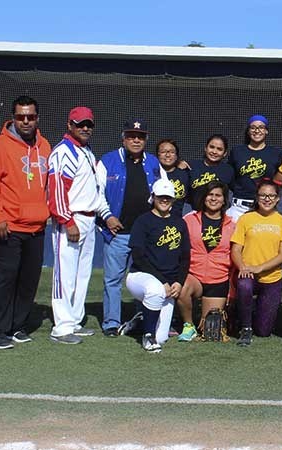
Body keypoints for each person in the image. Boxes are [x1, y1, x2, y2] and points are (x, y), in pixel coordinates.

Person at [0, 96, 52, 349]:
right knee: (5, 280)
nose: (26, 121)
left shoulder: (45, 146)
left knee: (28, 281)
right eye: (21, 117)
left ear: (37, 118)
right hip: (7, 227)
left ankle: (17, 326)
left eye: (30, 116)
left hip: (36, 227)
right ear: (13, 118)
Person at [47, 106, 119, 344]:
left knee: (81, 275)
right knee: (65, 275)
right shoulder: (63, 151)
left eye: (89, 124)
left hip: (89, 218)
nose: (85, 128)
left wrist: (102, 214)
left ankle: (74, 321)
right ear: (70, 125)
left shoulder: (86, 151)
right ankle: (61, 327)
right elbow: (57, 190)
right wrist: (67, 221)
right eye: (80, 124)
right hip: (72, 217)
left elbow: (94, 189)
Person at [96, 119, 166, 337]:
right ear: (123, 138)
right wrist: (107, 216)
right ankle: (111, 323)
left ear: (146, 139)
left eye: (140, 136)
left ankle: (144, 318)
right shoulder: (108, 161)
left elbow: (164, 190)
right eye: (131, 136)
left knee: (147, 278)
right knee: (113, 280)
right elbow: (97, 193)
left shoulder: (153, 162)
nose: (136, 140)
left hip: (145, 235)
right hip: (118, 233)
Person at [125, 179, 190, 353]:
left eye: (168, 197)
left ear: (173, 199)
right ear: (153, 197)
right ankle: (147, 337)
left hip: (168, 284)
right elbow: (138, 257)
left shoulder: (180, 223)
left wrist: (179, 282)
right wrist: (163, 281)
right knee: (155, 290)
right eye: (160, 196)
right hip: (140, 276)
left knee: (161, 338)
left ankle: (142, 320)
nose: (164, 200)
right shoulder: (143, 221)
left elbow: (185, 257)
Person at [231, 179, 282, 346]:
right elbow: (235, 249)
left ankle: (250, 311)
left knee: (264, 331)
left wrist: (260, 268)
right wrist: (242, 266)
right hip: (248, 273)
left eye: (271, 196)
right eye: (263, 195)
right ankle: (245, 326)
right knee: (244, 286)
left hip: (271, 278)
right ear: (257, 197)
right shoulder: (246, 219)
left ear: (278, 198)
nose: (267, 199)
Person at [178, 181, 236, 342]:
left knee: (209, 331)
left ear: (224, 200)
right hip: (194, 276)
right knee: (182, 287)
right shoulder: (189, 220)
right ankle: (188, 325)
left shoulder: (232, 225)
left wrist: (231, 289)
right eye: (210, 195)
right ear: (204, 198)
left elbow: (235, 257)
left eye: (218, 195)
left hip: (218, 279)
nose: (213, 198)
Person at [228, 115, 282, 221]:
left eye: (261, 127)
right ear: (248, 131)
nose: (257, 131)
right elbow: (230, 177)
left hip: (265, 206)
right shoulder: (237, 152)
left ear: (266, 131)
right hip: (239, 207)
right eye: (253, 127)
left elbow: (281, 178)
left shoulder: (275, 153)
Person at [189, 134, 235, 209]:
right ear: (205, 148)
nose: (214, 151)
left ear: (225, 153)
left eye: (219, 149)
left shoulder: (228, 170)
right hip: (193, 211)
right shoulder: (192, 166)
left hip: (218, 212)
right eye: (212, 147)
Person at [156, 139, 190, 217]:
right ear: (158, 155)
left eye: (172, 152)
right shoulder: (153, 173)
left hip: (178, 219)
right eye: (163, 152)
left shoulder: (185, 174)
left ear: (176, 155)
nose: (167, 155)